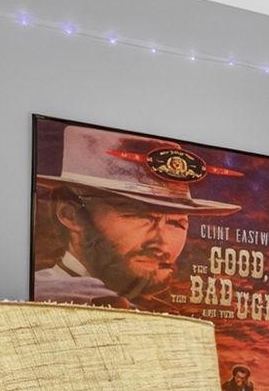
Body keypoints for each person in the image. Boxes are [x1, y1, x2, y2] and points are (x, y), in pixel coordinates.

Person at [31, 123, 238, 307]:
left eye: (176, 223)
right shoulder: (53, 297)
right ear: (70, 215)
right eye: (139, 217)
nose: (160, 242)